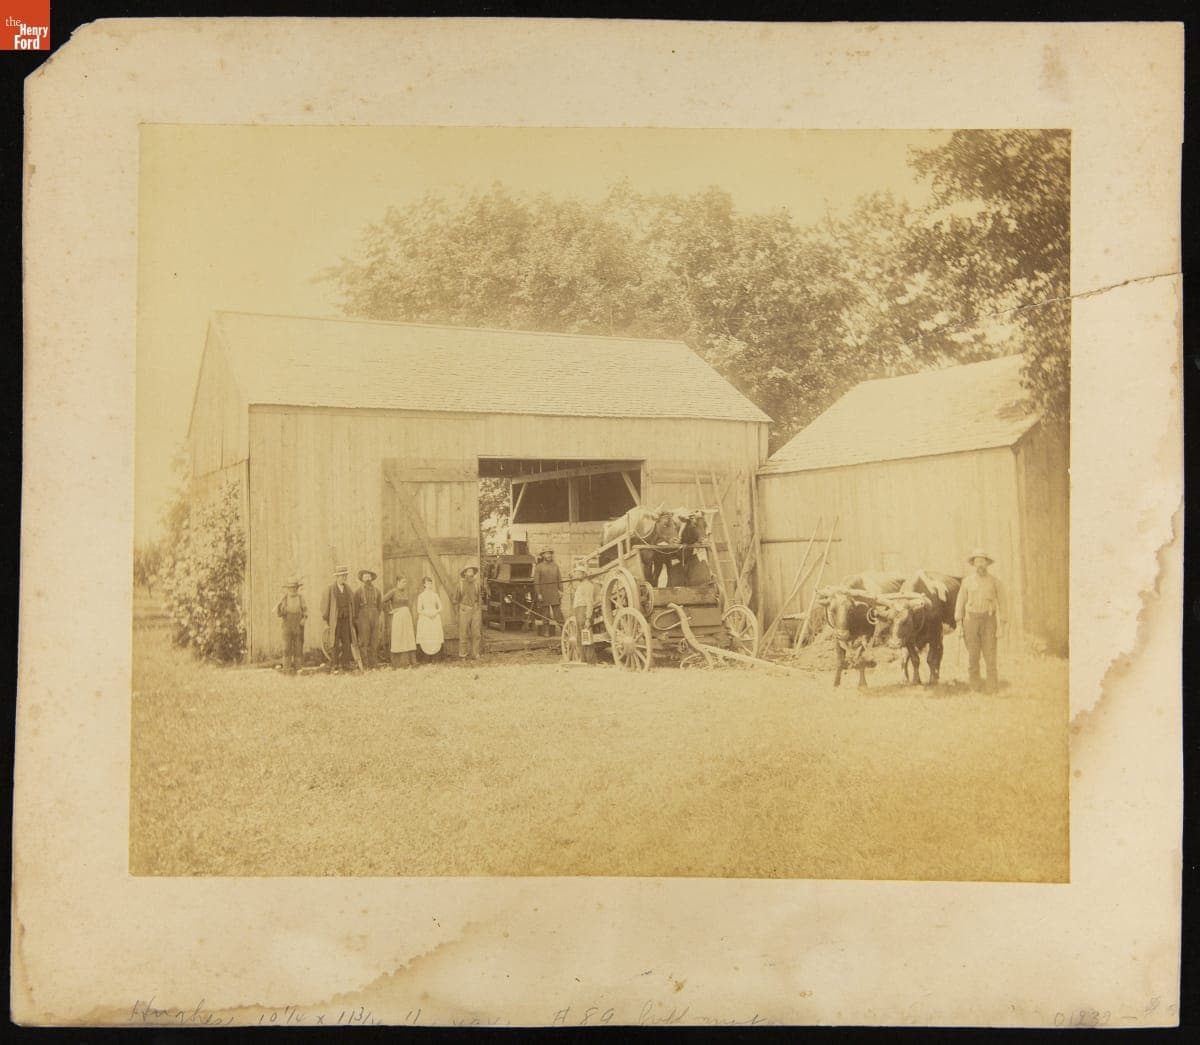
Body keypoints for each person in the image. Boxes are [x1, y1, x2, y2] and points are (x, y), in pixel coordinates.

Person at [954, 547, 1007, 692]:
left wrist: (1001, 625)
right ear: (974, 564)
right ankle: (974, 686)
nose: (980, 564)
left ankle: (992, 687)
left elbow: (1003, 602)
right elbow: (960, 601)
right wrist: (959, 622)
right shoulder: (967, 582)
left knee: (990, 655)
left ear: (987, 563)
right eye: (977, 561)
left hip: (988, 620)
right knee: (973, 655)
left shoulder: (995, 581)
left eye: (982, 561)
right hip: (970, 621)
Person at [321, 565, 356, 672]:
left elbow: (352, 604)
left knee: (346, 642)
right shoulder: (330, 589)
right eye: (341, 576)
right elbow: (325, 606)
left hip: (346, 620)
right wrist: (326, 621)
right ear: (336, 577)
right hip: (335, 621)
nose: (343, 578)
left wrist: (352, 618)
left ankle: (345, 664)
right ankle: (334, 665)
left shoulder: (348, 589)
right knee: (334, 643)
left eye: (345, 576)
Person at [383, 576, 417, 668]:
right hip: (398, 617)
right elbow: (382, 600)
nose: (404, 584)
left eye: (405, 582)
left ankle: (410, 661)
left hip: (407, 616)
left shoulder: (405, 592)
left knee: (408, 637)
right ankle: (399, 663)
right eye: (403, 582)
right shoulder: (393, 591)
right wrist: (389, 611)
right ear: (398, 582)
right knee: (399, 637)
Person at [275, 577, 307, 674]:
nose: (292, 590)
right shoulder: (284, 599)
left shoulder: (301, 598)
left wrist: (304, 619)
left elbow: (305, 610)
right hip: (287, 626)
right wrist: (280, 608)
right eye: (290, 588)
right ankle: (286, 668)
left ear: (297, 588)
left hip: (298, 626)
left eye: (294, 588)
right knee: (286, 647)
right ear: (287, 589)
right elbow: (279, 614)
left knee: (298, 646)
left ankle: (298, 668)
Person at [453, 563, 483, 660]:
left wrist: (477, 608)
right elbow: (455, 600)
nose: (471, 573)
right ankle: (463, 655)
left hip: (475, 610)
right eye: (469, 571)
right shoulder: (460, 585)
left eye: (472, 571)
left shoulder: (476, 584)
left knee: (476, 633)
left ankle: (475, 654)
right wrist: (458, 613)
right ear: (465, 573)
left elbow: (479, 598)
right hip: (464, 610)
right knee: (463, 633)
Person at [354, 568, 383, 669]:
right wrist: (358, 621)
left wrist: (376, 615)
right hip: (363, 617)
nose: (367, 578)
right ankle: (365, 665)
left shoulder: (377, 591)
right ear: (362, 579)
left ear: (372, 578)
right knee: (364, 641)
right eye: (365, 576)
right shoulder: (358, 592)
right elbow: (355, 608)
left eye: (369, 576)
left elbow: (380, 606)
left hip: (375, 615)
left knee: (374, 641)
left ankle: (373, 664)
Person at [532, 548, 564, 637]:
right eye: (546, 554)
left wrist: (561, 591)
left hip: (554, 593)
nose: (548, 555)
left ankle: (564, 630)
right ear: (543, 555)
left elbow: (559, 579)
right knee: (545, 613)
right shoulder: (539, 567)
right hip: (544, 593)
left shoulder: (555, 566)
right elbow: (536, 582)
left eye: (549, 554)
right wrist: (538, 593)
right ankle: (546, 632)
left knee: (558, 613)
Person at [571, 561, 597, 664]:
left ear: (584, 574)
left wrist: (587, 618)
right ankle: (583, 659)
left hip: (584, 612)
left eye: (579, 573)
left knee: (586, 636)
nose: (576, 575)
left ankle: (590, 661)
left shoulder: (588, 585)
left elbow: (589, 602)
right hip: (578, 611)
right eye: (576, 573)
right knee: (580, 637)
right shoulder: (581, 585)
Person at [415, 576, 444, 662]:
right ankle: (425, 658)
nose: (429, 585)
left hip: (435, 617)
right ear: (424, 584)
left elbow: (441, 607)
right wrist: (427, 614)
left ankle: (436, 657)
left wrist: (435, 612)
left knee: (435, 636)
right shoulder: (421, 596)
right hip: (425, 618)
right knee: (426, 636)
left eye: (431, 583)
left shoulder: (435, 595)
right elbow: (419, 610)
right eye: (427, 583)